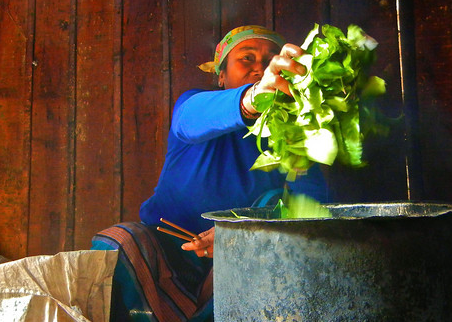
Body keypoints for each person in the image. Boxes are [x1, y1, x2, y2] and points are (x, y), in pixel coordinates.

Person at [91, 25, 330, 322]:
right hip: (169, 251)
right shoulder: (195, 106)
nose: (260, 69)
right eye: (247, 59)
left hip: (244, 259)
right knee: (118, 242)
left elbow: (313, 207)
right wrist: (253, 99)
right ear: (221, 75)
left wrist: (239, 236)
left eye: (270, 60)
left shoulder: (297, 133)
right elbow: (190, 120)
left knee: (275, 207)